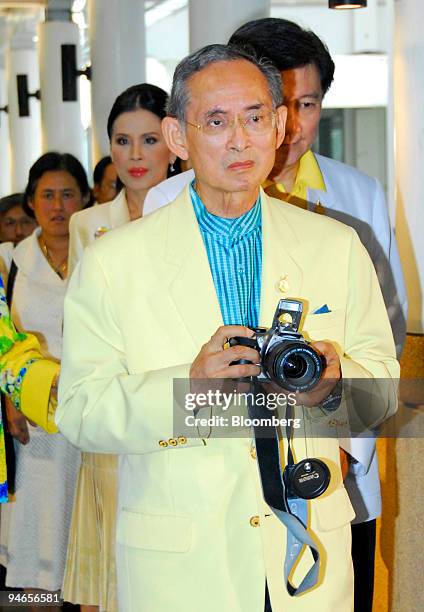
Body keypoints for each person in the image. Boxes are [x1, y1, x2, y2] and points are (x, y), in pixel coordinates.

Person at [56, 44, 398, 612]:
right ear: (178, 137)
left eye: (255, 117)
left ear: (281, 124)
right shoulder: (115, 261)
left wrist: (330, 390)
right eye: (216, 121)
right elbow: (80, 410)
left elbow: (381, 392)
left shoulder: (336, 246)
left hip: (309, 554)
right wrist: (187, 391)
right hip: (184, 566)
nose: (240, 140)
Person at [62, 83, 180, 612]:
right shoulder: (89, 224)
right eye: (122, 140)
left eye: (149, 139)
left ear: (174, 141)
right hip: (113, 401)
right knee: (110, 564)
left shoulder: (194, 216)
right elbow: (80, 320)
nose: (135, 155)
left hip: (180, 396)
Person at [0, 152, 89, 611]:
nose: (58, 206)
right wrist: (10, 400)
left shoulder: (102, 251)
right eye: (47, 195)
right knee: (37, 535)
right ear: (32, 202)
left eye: (68, 194)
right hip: (33, 422)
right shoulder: (9, 262)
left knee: (90, 535)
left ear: (86, 198)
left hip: (92, 413)